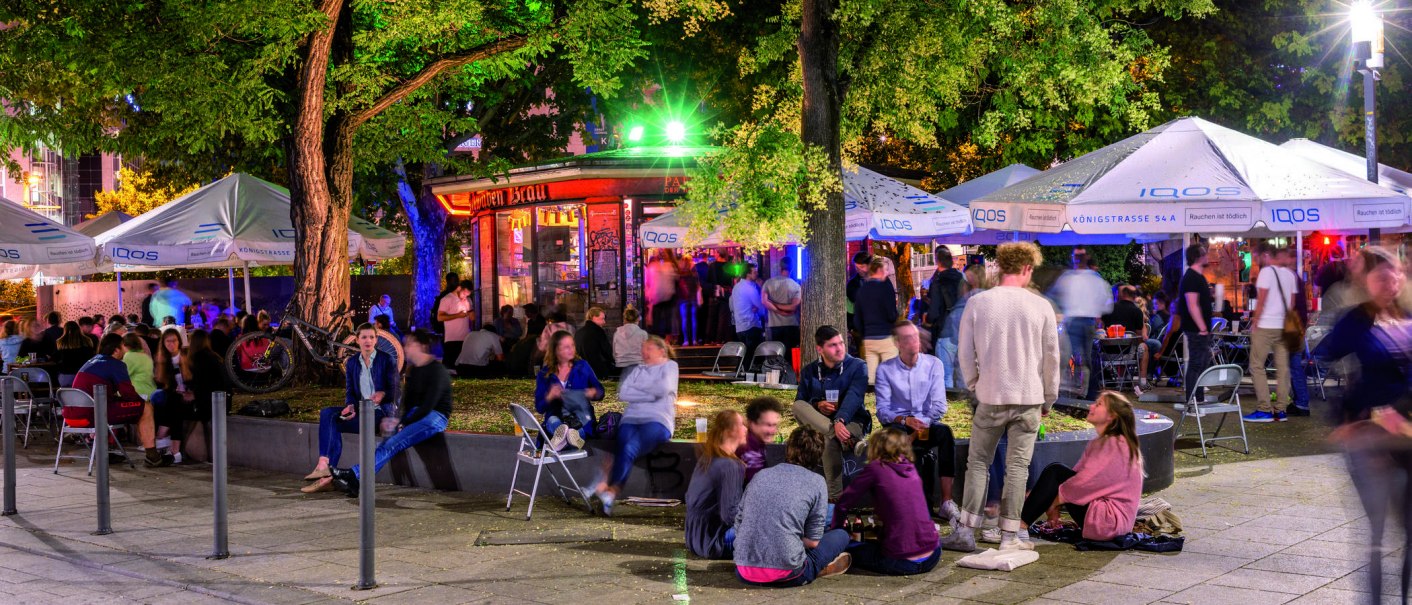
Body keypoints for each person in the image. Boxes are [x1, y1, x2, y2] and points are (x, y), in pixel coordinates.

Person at [945, 241, 1059, 553]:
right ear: (1027, 268)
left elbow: (964, 352)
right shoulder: (1040, 306)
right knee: (1018, 467)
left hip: (990, 394)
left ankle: (966, 530)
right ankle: (1009, 535)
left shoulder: (978, 303)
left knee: (978, 463)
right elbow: (1052, 358)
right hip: (1028, 396)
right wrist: (1049, 398)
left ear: (1000, 266)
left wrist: (975, 383)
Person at [1315, 246, 1412, 602]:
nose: (1390, 283)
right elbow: (1323, 356)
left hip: (1408, 437)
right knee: (1376, 532)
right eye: (1381, 277)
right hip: (1370, 440)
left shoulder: (1407, 317)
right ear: (1366, 281)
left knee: (1410, 531)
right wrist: (1347, 416)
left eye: (1394, 276)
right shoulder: (1356, 320)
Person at [325, 330, 453, 497]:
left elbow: (429, 405)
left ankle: (354, 474)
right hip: (417, 415)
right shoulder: (413, 371)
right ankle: (358, 481)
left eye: (409, 344)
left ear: (421, 346)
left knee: (393, 443)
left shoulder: (437, 370)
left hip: (435, 416)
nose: (405, 348)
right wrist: (397, 420)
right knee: (387, 443)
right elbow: (408, 403)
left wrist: (403, 423)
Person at [733, 427, 852, 586]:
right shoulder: (817, 481)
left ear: (788, 448)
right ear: (818, 455)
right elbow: (813, 542)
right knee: (841, 535)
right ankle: (816, 568)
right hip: (788, 573)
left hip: (743, 570)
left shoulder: (761, 475)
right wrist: (788, 537)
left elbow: (739, 521)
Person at [1020, 391, 1143, 542]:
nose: (1091, 406)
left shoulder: (1115, 444)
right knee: (1057, 472)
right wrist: (1048, 497)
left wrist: (1053, 503)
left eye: (1098, 404)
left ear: (1112, 416)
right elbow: (1076, 476)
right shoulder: (1104, 442)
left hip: (1109, 523)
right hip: (1109, 521)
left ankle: (1020, 526)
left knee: (1056, 472)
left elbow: (1084, 483)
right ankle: (1020, 524)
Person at [584, 336, 678, 515]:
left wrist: (640, 391)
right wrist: (649, 395)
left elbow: (663, 389)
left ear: (661, 351)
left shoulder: (669, 367)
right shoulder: (638, 369)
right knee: (624, 445)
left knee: (629, 447)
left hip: (657, 420)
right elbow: (624, 393)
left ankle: (609, 490)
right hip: (631, 419)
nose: (644, 352)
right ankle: (605, 491)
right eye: (643, 349)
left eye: (648, 348)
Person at [831, 427, 941, 575]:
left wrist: (837, 533)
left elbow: (843, 503)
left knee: (850, 547)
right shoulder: (910, 468)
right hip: (933, 554)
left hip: (902, 561)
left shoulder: (876, 468)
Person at [875, 320, 957, 517]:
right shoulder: (886, 369)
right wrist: (904, 421)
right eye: (908, 338)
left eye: (915, 336)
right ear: (898, 343)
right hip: (899, 423)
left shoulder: (933, 364)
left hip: (925, 421)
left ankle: (946, 501)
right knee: (900, 439)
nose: (914, 341)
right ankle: (911, 506)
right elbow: (882, 410)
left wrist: (921, 426)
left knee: (945, 433)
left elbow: (940, 405)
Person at [302, 323, 399, 486]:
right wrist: (350, 406)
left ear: (376, 340)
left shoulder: (386, 359)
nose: (368, 341)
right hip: (361, 411)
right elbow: (350, 392)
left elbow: (396, 390)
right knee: (328, 415)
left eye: (371, 337)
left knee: (333, 424)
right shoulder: (353, 362)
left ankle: (327, 477)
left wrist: (383, 394)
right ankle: (324, 464)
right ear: (357, 340)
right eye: (364, 337)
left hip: (379, 413)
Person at [791, 325, 871, 500]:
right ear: (820, 349)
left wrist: (840, 419)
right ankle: (851, 443)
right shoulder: (809, 371)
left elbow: (854, 396)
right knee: (797, 406)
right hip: (822, 423)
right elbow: (801, 402)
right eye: (833, 345)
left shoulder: (858, 366)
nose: (840, 348)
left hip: (852, 422)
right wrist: (817, 405)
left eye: (841, 343)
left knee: (827, 441)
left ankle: (834, 500)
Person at [70, 333, 168, 467]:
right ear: (116, 350)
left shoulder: (91, 361)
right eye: (123, 347)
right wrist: (140, 402)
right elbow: (129, 394)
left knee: (110, 406)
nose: (124, 351)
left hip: (72, 415)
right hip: (92, 414)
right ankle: (153, 457)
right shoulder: (116, 364)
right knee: (146, 408)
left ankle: (104, 452)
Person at [1244, 246, 1298, 423]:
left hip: (1266, 325)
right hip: (1283, 326)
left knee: (1256, 366)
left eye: (1256, 256)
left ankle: (1264, 409)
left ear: (1266, 255)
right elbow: (1291, 303)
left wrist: (1255, 322)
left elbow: (1262, 300)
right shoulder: (1290, 275)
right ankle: (1281, 410)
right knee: (1283, 369)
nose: (1255, 260)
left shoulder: (1266, 272)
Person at [686, 410, 747, 560]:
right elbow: (730, 515)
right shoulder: (730, 466)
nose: (746, 429)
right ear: (730, 431)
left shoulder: (708, 457)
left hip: (694, 539)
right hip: (715, 542)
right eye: (742, 425)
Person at [1052, 256, 1112, 399]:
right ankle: (1084, 392)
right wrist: (1097, 311)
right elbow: (1107, 302)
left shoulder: (1070, 277)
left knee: (1070, 357)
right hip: (1083, 322)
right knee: (1082, 358)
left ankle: (1069, 391)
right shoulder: (1093, 278)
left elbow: (1057, 296)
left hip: (1076, 322)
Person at [535, 330, 604, 451]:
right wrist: (550, 396)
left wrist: (592, 392)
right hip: (557, 418)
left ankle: (564, 439)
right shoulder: (545, 374)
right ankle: (568, 436)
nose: (571, 349)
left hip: (581, 419)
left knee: (577, 429)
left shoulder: (583, 366)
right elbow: (539, 407)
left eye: (572, 345)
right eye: (567, 347)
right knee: (552, 420)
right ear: (556, 350)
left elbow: (600, 391)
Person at [1177, 244, 1215, 402]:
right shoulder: (1191, 277)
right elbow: (1192, 305)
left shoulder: (1198, 276)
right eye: (1204, 254)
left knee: (1202, 363)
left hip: (1199, 328)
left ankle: (1198, 399)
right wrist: (1202, 327)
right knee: (1196, 364)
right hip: (1196, 329)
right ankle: (1192, 401)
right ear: (1197, 257)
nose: (1207, 256)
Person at [854, 256, 899, 384]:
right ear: (879, 270)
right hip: (885, 336)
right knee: (891, 375)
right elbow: (891, 315)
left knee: (871, 376)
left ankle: (871, 394)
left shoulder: (861, 290)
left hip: (869, 338)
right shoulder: (885, 289)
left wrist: (864, 334)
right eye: (886, 270)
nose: (887, 273)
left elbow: (857, 318)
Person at [1101, 285, 1154, 394]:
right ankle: (1143, 382)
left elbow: (1100, 328)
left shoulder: (1108, 309)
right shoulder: (1137, 311)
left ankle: (1114, 379)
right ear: (1134, 296)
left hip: (1106, 353)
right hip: (1128, 353)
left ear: (1122, 294)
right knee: (1144, 347)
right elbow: (1139, 336)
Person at [926, 246, 965, 355]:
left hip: (944, 332)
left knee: (944, 366)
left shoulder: (938, 282)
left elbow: (934, 312)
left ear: (937, 261)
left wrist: (927, 320)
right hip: (962, 331)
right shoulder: (961, 278)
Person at [729, 263, 767, 372]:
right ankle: (750, 376)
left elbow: (732, 305)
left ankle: (741, 374)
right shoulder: (750, 289)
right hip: (751, 325)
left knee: (745, 355)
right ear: (748, 274)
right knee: (754, 356)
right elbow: (761, 307)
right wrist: (757, 310)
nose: (757, 274)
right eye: (754, 272)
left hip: (740, 327)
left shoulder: (736, 287)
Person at [762, 256, 802, 359]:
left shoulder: (768, 283)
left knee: (776, 355)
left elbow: (764, 301)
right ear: (792, 269)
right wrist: (783, 311)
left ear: (780, 268)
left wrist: (776, 307)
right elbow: (793, 307)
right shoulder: (795, 286)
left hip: (774, 325)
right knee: (790, 356)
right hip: (791, 324)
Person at [738, 396, 784, 484]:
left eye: (774, 425)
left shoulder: (761, 445)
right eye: (767, 425)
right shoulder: (747, 451)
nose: (772, 431)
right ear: (751, 423)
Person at [437, 280, 474, 364]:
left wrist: (471, 311)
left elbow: (472, 318)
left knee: (463, 366)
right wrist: (458, 315)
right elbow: (439, 317)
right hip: (452, 340)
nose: (465, 297)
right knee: (450, 365)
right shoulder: (447, 299)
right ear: (459, 288)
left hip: (466, 339)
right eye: (464, 294)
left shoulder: (468, 300)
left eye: (467, 295)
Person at [574, 307, 615, 379]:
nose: (604, 322)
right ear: (594, 318)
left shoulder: (578, 333)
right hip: (596, 371)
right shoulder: (598, 332)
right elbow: (607, 351)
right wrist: (614, 361)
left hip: (581, 370)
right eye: (602, 319)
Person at [55, 321, 95, 387]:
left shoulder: (60, 342)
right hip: (83, 375)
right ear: (78, 328)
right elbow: (91, 357)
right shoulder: (88, 340)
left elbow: (56, 358)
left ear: (65, 330)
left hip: (66, 376)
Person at [613, 305, 649, 376]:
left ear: (624, 319)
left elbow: (614, 354)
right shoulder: (643, 334)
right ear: (638, 319)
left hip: (620, 367)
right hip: (638, 367)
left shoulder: (617, 333)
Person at [845, 252, 871, 338]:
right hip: (860, 330)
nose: (859, 270)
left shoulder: (881, 280)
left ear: (869, 265)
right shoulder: (852, 284)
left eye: (862, 267)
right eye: (857, 267)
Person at [677, 256, 701, 345]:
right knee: (694, 319)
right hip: (693, 299)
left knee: (684, 320)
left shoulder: (679, 275)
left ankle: (686, 340)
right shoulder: (694, 274)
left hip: (683, 299)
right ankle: (694, 340)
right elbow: (698, 286)